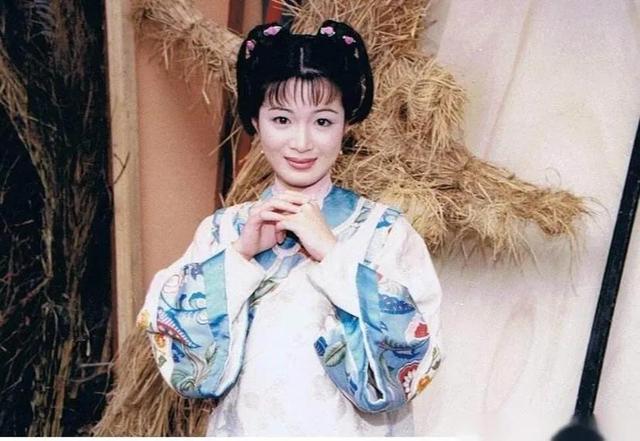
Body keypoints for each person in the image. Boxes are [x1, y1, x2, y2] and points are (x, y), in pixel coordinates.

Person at [136, 19, 443, 436]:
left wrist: (333, 254)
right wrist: (238, 257)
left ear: (346, 125)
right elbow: (187, 367)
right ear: (256, 122)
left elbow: (408, 363)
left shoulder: (384, 232)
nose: (301, 142)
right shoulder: (222, 232)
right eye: (281, 119)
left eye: (322, 121)